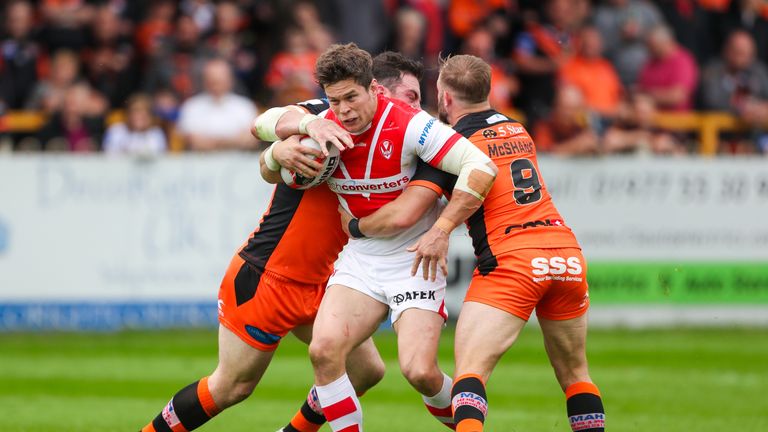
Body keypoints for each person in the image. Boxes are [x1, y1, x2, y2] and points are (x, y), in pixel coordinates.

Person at [139, 50, 445, 432]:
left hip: (325, 281)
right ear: (378, 90)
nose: (419, 107)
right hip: (268, 274)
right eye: (412, 97)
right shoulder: (331, 117)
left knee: (366, 371)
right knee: (232, 387)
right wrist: (281, 146)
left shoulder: (411, 138)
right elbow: (265, 122)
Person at [352, 55, 606, 432]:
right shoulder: (518, 129)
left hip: (513, 260)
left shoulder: (450, 144)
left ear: (445, 98)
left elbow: (408, 212)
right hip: (565, 254)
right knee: (575, 374)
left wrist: (357, 226)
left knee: (470, 375)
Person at [254, 43, 497, 432]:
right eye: (335, 101)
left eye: (352, 97)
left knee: (419, 372)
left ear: (373, 89)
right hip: (362, 258)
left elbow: (480, 166)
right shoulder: (324, 119)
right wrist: (302, 129)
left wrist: (442, 230)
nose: (344, 110)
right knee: (323, 350)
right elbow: (261, 124)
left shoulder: (411, 124)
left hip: (414, 258)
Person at [176, 58, 258, 151]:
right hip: (200, 162)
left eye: (220, 80)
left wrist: (214, 142)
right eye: (212, 81)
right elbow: (191, 141)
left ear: (230, 80)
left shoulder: (245, 106)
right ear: (205, 81)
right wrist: (233, 141)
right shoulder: (191, 106)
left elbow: (251, 140)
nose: (216, 85)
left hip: (239, 161)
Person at [103, 94, 168, 156]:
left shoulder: (156, 133)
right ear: (128, 114)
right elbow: (109, 157)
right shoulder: (116, 131)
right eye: (136, 111)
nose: (139, 116)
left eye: (144, 113)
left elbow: (161, 158)